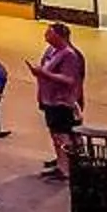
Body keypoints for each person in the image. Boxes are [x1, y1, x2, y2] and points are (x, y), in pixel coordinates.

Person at [33, 21, 88, 180]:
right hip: (49, 99)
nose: (45, 36)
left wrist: (44, 74)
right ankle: (61, 162)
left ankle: (68, 167)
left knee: (64, 133)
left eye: (49, 33)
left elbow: (71, 80)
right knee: (56, 133)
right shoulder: (51, 51)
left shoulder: (70, 55)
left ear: (59, 36)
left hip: (62, 102)